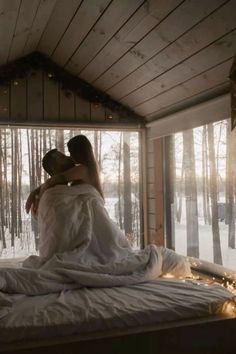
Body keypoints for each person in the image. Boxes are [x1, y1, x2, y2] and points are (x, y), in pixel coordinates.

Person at [26, 135, 104, 213]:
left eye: (71, 153)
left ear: (78, 153)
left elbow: (56, 179)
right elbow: (55, 180)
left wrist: (39, 198)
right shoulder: (88, 169)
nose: (70, 157)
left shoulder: (82, 169)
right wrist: (36, 191)